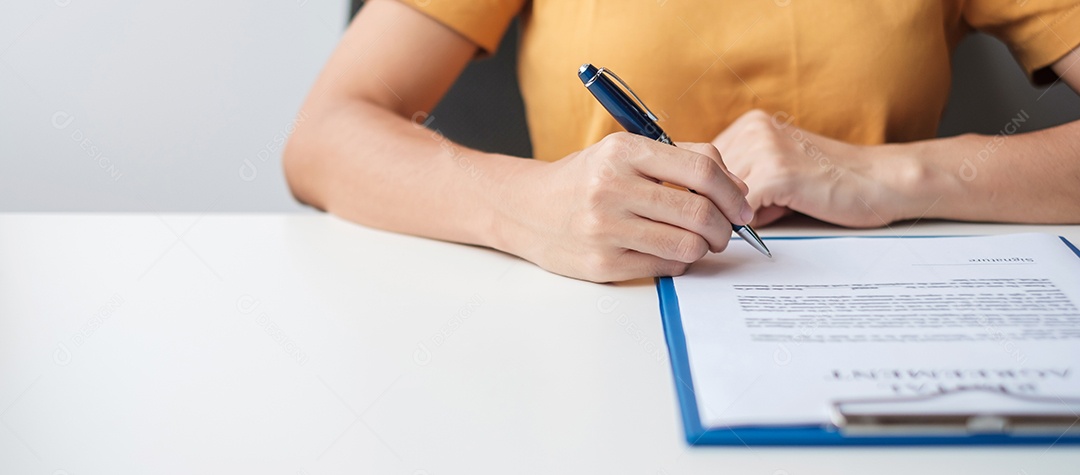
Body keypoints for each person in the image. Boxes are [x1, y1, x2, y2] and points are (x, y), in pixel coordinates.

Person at [283, 0, 1080, 283]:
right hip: (597, 319)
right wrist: (526, 203)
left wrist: (897, 174)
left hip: (882, 314)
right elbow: (325, 136)